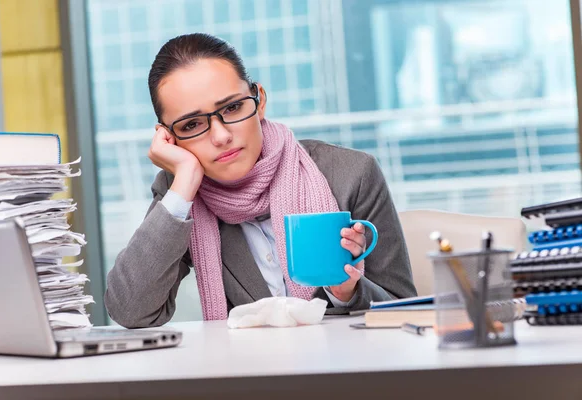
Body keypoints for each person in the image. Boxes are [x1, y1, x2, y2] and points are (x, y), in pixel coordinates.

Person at [104, 33, 416, 327]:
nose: (222, 136)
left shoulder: (351, 174)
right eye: (192, 124)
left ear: (260, 101)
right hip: (246, 378)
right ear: (169, 138)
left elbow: (407, 310)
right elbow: (131, 311)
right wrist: (183, 184)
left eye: (232, 107)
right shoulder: (180, 195)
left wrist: (346, 290)